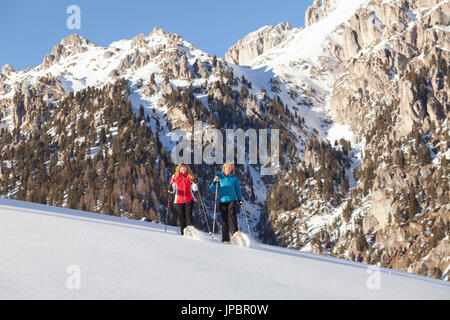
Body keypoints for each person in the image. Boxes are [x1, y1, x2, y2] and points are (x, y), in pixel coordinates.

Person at [209, 163, 244, 242]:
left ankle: (235, 233)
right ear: (223, 168)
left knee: (232, 212)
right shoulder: (219, 178)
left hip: (232, 199)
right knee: (225, 220)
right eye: (226, 168)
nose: (228, 169)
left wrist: (240, 200)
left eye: (230, 168)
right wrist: (214, 182)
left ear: (231, 169)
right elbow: (211, 189)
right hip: (222, 201)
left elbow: (238, 190)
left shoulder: (234, 178)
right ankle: (225, 239)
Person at [169, 163, 198, 235]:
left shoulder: (190, 177)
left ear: (187, 169)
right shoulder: (175, 177)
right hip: (178, 201)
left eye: (185, 168)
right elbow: (172, 190)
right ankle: (183, 233)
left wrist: (195, 183)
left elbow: (195, 189)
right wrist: (170, 188)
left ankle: (190, 231)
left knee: (188, 215)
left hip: (189, 199)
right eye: (182, 168)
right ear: (179, 169)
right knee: (182, 217)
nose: (183, 169)